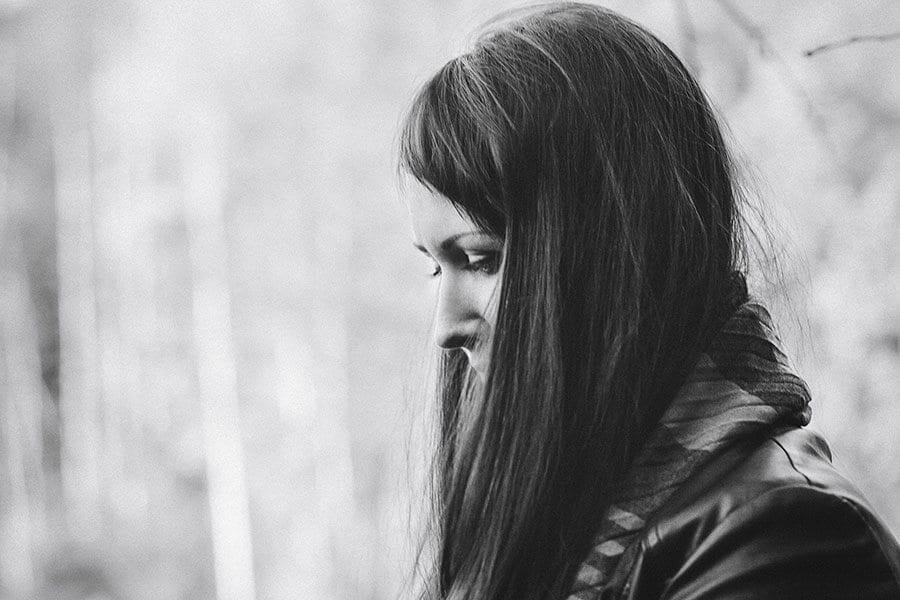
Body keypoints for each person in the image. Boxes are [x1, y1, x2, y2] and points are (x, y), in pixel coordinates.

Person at [398, 3, 900, 599]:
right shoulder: (550, 523)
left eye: (482, 260)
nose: (445, 329)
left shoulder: (786, 541)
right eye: (435, 267)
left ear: (612, 250)